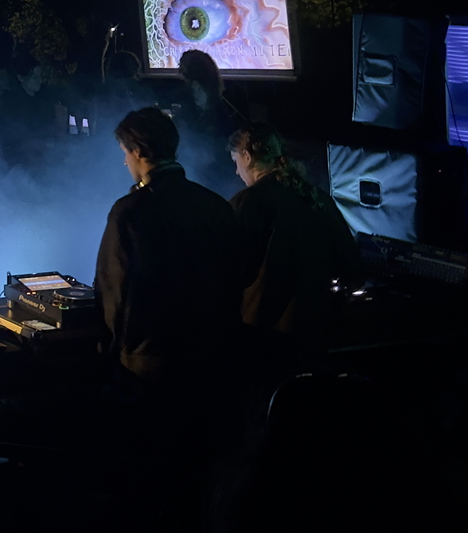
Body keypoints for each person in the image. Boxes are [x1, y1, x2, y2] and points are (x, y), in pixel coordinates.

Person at [94, 106, 244, 394]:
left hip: (151, 366)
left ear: (138, 151)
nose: (125, 162)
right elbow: (236, 277)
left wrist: (111, 354)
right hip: (215, 362)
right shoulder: (216, 206)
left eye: (125, 152)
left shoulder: (130, 212)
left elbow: (114, 291)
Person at [228, 121, 360, 347]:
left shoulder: (250, 202)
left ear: (247, 157)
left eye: (235, 161)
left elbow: (231, 266)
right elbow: (351, 264)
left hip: (263, 329)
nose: (236, 171)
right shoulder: (318, 198)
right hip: (316, 327)